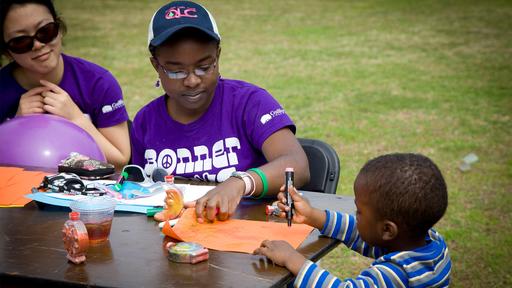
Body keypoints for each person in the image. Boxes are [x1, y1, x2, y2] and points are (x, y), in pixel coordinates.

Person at [131, 1, 309, 222]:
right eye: (176, 71)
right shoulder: (146, 121)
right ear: (156, 66)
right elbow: (139, 193)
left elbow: (297, 165)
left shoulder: (249, 103)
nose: (192, 80)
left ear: (218, 56)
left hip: (246, 238)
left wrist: (240, 183)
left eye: (204, 67)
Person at [254, 153, 451, 287]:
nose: (354, 217)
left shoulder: (396, 274)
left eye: (359, 212)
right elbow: (358, 233)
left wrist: (293, 259)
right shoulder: (430, 244)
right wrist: (312, 216)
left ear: (388, 230)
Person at [0, 0, 131, 169]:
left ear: (59, 29)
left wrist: (75, 118)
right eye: (21, 41)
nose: (38, 45)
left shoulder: (98, 82)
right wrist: (16, 125)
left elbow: (120, 159)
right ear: (6, 51)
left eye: (46, 31)